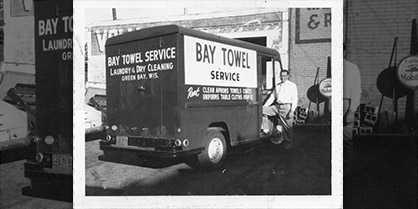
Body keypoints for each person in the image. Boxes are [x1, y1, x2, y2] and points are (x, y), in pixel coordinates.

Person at [261, 70, 298, 150]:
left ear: (288, 76)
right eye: (281, 76)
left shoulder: (292, 85)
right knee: (262, 111)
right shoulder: (278, 86)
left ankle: (288, 145)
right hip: (277, 107)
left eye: (284, 76)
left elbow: (295, 99)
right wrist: (264, 106)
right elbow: (272, 97)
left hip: (286, 107)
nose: (283, 77)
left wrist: (292, 110)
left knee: (288, 128)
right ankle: (266, 129)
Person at [343, 43, 362, 177]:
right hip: (334, 103)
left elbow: (356, 91)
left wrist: (351, 110)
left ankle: (346, 171)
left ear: (344, 52)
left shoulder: (351, 68)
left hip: (346, 103)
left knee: (346, 139)